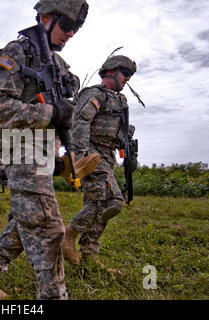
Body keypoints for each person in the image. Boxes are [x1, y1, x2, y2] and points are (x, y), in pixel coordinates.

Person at [0, 0, 90, 300]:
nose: (71, 34)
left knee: (24, 221)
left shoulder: (59, 66)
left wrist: (71, 152)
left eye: (75, 29)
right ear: (46, 18)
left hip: (46, 155)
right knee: (49, 230)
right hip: (21, 152)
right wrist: (49, 114)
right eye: (66, 26)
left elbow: (66, 115)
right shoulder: (16, 52)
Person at [62, 55, 138, 275]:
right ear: (111, 71)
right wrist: (79, 155)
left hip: (108, 154)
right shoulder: (94, 95)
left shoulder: (120, 101)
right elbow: (81, 121)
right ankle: (69, 235)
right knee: (112, 201)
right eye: (125, 74)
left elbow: (121, 131)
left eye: (130, 76)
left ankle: (89, 255)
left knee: (98, 204)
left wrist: (128, 150)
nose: (127, 79)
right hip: (92, 153)